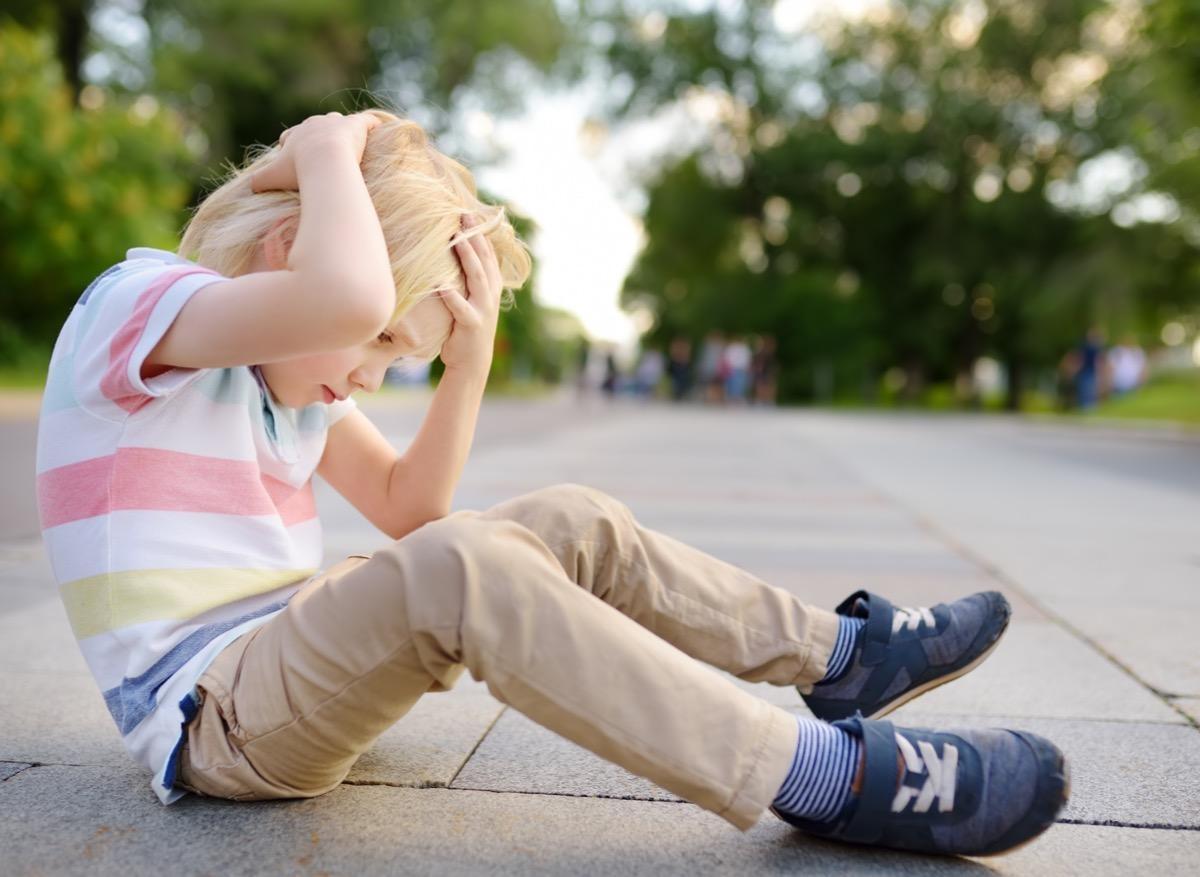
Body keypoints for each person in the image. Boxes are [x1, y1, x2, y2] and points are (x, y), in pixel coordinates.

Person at [34, 110, 1068, 858]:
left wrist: (469, 361)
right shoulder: (143, 307)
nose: (367, 375)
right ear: (292, 248)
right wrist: (321, 145)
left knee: (569, 519)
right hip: (217, 716)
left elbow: (409, 506)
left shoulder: (283, 381)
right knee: (464, 567)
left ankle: (841, 655)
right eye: (385, 343)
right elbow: (344, 302)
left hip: (287, 657)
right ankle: (820, 775)